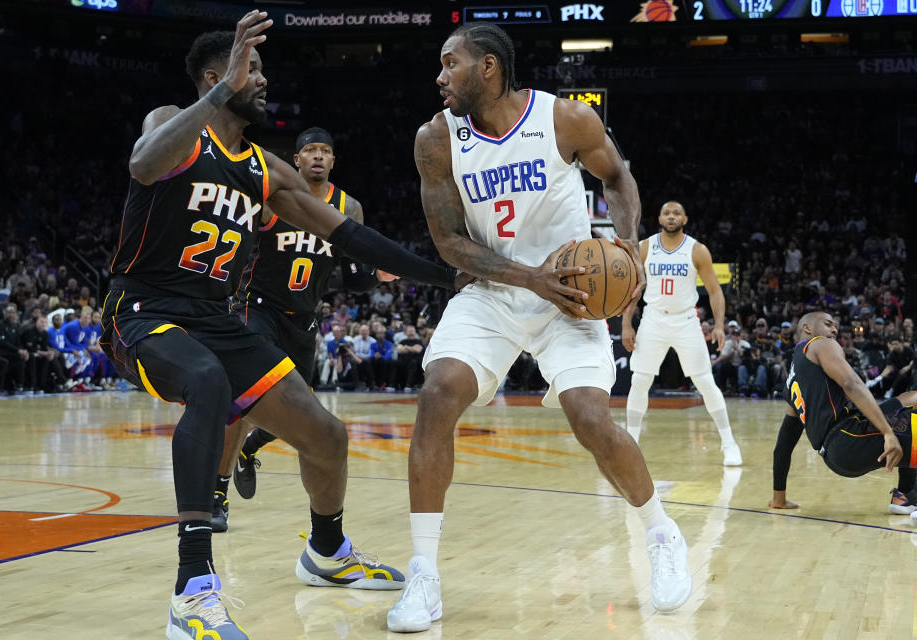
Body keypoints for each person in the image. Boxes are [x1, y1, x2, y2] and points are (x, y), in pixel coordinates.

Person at [101, 15, 467, 638]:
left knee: (326, 436)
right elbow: (141, 162)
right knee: (209, 384)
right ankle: (192, 592)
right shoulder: (173, 125)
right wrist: (215, 97)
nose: (265, 82)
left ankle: (326, 551)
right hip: (144, 313)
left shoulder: (267, 169)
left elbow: (349, 235)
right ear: (218, 78)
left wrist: (441, 274)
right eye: (254, 71)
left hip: (215, 321)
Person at [385, 22, 691, 634]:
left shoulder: (567, 120)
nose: (439, 77)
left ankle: (662, 533)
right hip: (496, 288)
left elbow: (618, 179)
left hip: (573, 292)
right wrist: (527, 277)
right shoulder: (435, 138)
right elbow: (447, 240)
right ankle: (423, 572)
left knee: (589, 415)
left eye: (451, 64)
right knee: (438, 392)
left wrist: (628, 249)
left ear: (489, 68)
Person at [215, 127, 401, 529]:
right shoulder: (273, 197)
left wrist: (379, 276)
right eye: (309, 150)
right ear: (296, 159)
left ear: (333, 161)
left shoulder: (349, 207)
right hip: (257, 309)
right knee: (243, 399)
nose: (317, 156)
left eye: (325, 151)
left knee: (303, 413)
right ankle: (217, 493)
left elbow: (354, 278)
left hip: (303, 319)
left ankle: (250, 449)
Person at [621, 201, 742, 465]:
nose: (671, 216)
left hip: (686, 321)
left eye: (676, 213)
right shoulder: (644, 247)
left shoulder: (697, 250)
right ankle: (631, 443)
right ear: (660, 218)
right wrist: (626, 324)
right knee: (640, 381)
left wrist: (719, 325)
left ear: (684, 219)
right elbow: (633, 289)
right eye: (667, 212)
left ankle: (729, 444)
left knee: (705, 383)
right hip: (653, 319)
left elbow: (714, 290)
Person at [769, 311, 916, 516]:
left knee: (910, 399)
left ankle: (906, 496)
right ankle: (910, 494)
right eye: (828, 324)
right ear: (808, 329)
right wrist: (888, 433)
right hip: (849, 436)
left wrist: (779, 498)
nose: (835, 330)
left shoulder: (793, 382)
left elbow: (783, 445)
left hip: (837, 455)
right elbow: (851, 384)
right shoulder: (819, 344)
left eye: (835, 326)